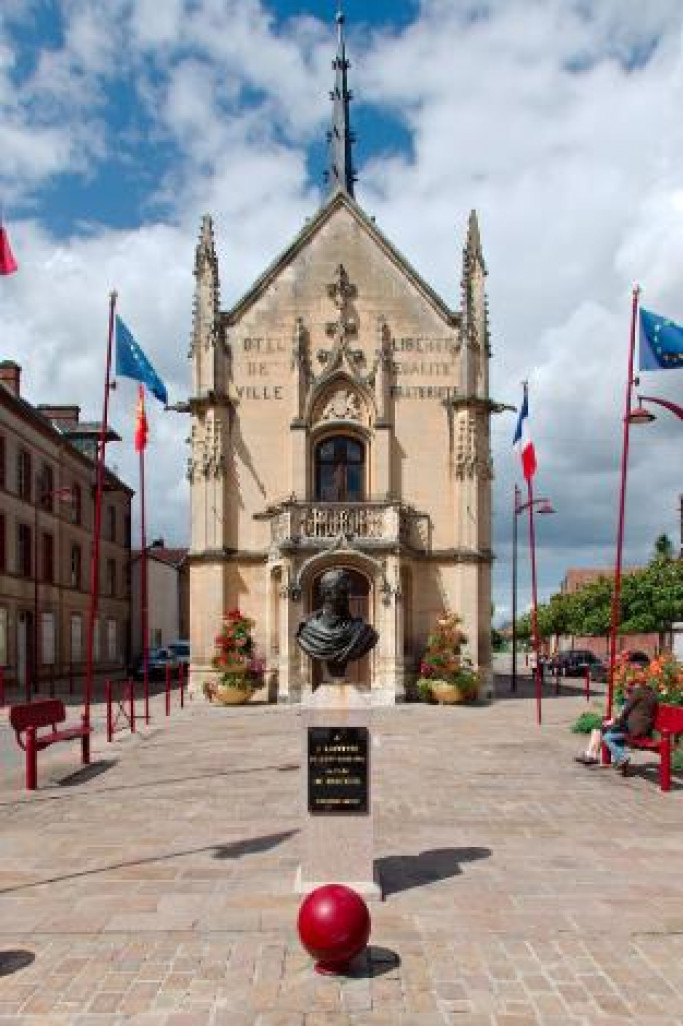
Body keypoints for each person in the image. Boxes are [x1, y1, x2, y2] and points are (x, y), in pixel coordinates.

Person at [575, 679, 658, 774]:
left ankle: (621, 758)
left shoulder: (637, 694)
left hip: (635, 729)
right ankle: (593, 755)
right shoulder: (651, 694)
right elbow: (631, 713)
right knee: (604, 729)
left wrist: (615, 722)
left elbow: (625, 713)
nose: (626, 693)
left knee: (607, 736)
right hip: (641, 728)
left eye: (629, 689)